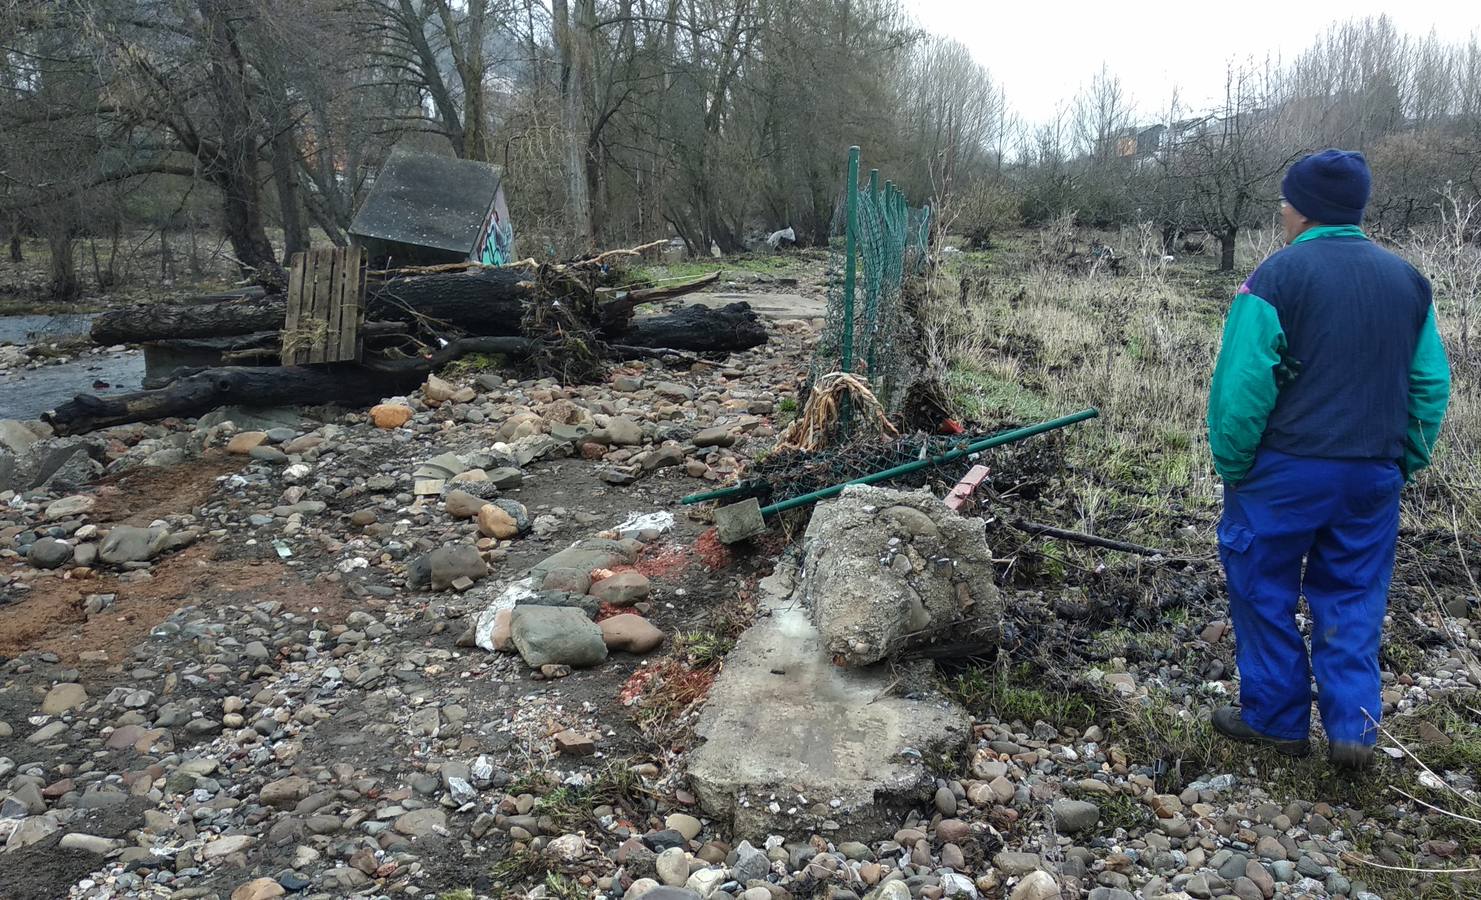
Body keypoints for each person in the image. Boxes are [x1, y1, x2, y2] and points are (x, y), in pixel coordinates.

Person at [1206, 149, 1451, 770]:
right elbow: (1429, 386)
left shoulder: (1275, 279)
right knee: (1354, 595)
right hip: (1372, 471)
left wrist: (1235, 465)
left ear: (1303, 208)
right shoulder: (1408, 282)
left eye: (1285, 202)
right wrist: (1404, 462)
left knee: (1262, 587)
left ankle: (1275, 720)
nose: (1281, 211)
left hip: (1285, 469)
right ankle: (1353, 729)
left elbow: (1242, 389)